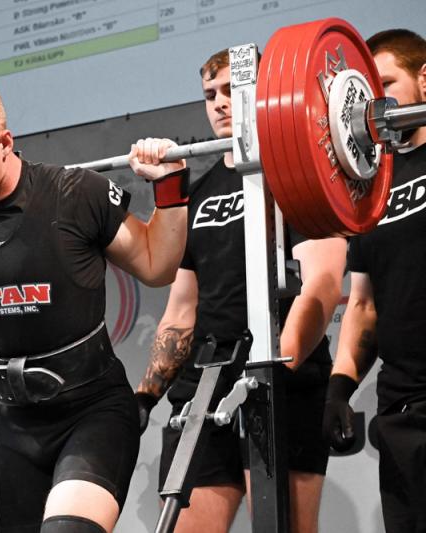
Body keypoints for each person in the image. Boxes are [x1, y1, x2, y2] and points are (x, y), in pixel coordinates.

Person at [0, 72, 187, 533]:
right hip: (15, 431)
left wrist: (170, 185)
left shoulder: (74, 194)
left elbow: (158, 267)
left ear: (4, 142)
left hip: (92, 415)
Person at [132, 49, 346, 533]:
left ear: (263, 92)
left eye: (233, 89)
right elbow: (182, 309)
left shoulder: (296, 178)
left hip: (280, 378)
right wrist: (145, 396)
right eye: (211, 94)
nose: (221, 103)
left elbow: (323, 282)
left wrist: (273, 372)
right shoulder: (201, 192)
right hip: (206, 381)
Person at [323, 28, 426, 532]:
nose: (377, 103)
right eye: (368, 92)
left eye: (387, 84)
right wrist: (339, 388)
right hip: (402, 413)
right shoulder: (373, 190)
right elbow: (362, 304)